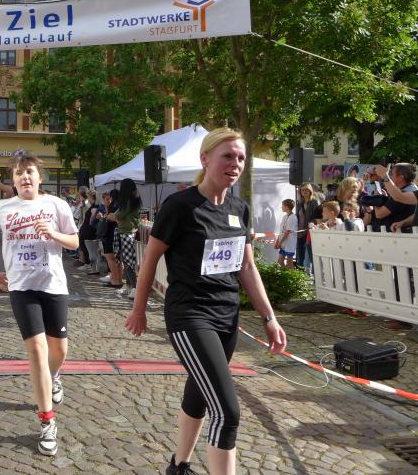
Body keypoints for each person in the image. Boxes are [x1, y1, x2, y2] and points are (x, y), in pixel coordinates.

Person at [125, 127, 286, 475]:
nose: (235, 164)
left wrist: (269, 317)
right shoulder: (180, 206)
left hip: (226, 317)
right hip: (189, 315)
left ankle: (178, 466)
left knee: (199, 394)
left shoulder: (239, 209)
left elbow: (246, 267)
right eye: (227, 156)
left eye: (240, 157)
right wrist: (139, 310)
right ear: (205, 159)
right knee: (227, 412)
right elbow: (150, 259)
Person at [0, 150, 78, 457]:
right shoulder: (2, 207)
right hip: (21, 288)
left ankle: (54, 376)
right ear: (13, 180)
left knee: (59, 350)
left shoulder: (56, 205)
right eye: (19, 173)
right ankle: (47, 421)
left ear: (39, 177)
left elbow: (75, 242)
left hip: (53, 286)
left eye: (30, 172)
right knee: (37, 349)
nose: (25, 177)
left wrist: (53, 233)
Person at [110, 179, 142, 299]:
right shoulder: (133, 198)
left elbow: (120, 214)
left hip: (127, 233)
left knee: (128, 262)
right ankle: (129, 286)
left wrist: (115, 216)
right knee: (126, 260)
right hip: (126, 232)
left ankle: (134, 287)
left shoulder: (129, 200)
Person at [276, 199, 297, 269]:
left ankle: (292, 275)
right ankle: (286, 274)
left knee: (289, 262)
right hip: (283, 243)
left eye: (282, 206)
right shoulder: (284, 217)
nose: (281, 207)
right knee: (280, 261)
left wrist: (280, 243)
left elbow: (287, 232)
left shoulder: (293, 217)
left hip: (289, 243)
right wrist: (277, 242)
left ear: (287, 207)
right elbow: (281, 231)